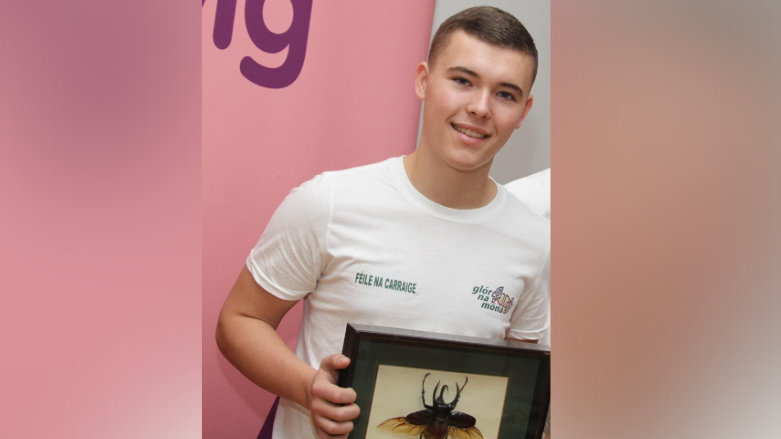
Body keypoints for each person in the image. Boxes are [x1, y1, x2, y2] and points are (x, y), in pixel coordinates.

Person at [216, 7, 549, 439]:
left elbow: (515, 387)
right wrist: (306, 387)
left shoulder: (534, 242)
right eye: (463, 81)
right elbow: (239, 321)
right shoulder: (329, 202)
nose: (480, 108)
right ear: (424, 80)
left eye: (505, 94)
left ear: (524, 111)